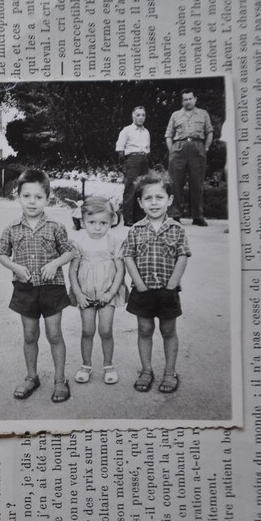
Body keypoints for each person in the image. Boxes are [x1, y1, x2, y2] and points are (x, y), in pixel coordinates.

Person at [0, 169, 75, 403]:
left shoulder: (55, 226)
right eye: (27, 196)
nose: (32, 202)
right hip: (25, 288)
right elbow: (1, 254)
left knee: (54, 334)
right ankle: (32, 377)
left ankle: (60, 380)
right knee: (30, 335)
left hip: (52, 288)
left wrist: (55, 263)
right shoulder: (11, 228)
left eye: (38, 197)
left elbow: (70, 251)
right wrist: (15, 268)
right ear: (17, 196)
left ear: (48, 198)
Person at [122, 173, 191, 394]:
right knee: (144, 329)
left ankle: (170, 372)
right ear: (140, 203)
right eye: (148, 198)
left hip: (167, 290)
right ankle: (146, 370)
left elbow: (183, 256)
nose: (154, 202)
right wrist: (139, 283)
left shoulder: (177, 229)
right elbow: (128, 257)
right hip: (142, 290)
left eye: (159, 197)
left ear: (169, 200)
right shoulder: (135, 230)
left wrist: (172, 284)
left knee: (168, 330)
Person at [68, 197, 127, 385]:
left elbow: (120, 270)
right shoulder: (78, 241)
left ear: (112, 221)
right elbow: (73, 270)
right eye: (92, 222)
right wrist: (78, 294)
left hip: (107, 292)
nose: (97, 227)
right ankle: (86, 365)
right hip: (85, 293)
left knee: (105, 330)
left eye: (103, 223)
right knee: (87, 330)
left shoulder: (114, 241)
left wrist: (110, 293)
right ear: (83, 221)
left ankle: (108, 365)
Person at [165, 89, 213, 226]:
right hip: (179, 148)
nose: (188, 101)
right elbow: (168, 135)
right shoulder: (176, 115)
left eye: (190, 98)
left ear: (195, 99)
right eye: (185, 99)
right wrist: (172, 151)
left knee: (197, 183)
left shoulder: (203, 114)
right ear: (182, 101)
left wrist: (206, 148)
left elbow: (209, 132)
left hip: (197, 148)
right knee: (175, 183)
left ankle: (197, 216)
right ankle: (175, 215)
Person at [115, 106, 150, 226]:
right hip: (131, 159)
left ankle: (139, 217)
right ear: (133, 116)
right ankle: (128, 218)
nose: (141, 118)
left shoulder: (146, 132)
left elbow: (147, 148)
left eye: (143, 115)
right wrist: (126, 164)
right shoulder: (127, 130)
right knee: (131, 188)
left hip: (144, 159)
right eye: (138, 115)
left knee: (142, 188)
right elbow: (120, 149)